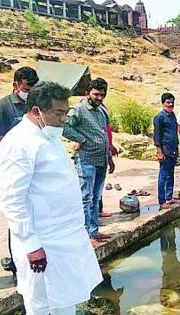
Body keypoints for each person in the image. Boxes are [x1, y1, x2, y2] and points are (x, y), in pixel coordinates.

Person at [0, 81, 102, 315]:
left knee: (65, 301)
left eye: (66, 112)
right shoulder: (20, 143)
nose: (65, 119)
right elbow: (12, 199)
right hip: (42, 241)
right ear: (37, 111)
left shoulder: (47, 136)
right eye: (59, 113)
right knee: (42, 305)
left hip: (64, 238)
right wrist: (32, 244)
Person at [0, 66, 39, 280]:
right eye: (27, 88)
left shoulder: (34, 105)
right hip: (15, 171)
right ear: (16, 85)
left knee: (34, 216)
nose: (30, 91)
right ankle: (18, 268)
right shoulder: (2, 108)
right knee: (16, 219)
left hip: (35, 170)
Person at [63, 78, 115, 241]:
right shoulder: (78, 110)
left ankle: (93, 230)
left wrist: (109, 158)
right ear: (88, 93)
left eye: (102, 95)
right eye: (96, 94)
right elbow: (64, 127)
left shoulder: (102, 111)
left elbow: (104, 134)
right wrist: (81, 139)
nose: (99, 98)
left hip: (101, 160)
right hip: (86, 159)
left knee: (96, 196)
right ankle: (85, 233)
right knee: (86, 196)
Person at [153, 93, 180, 209]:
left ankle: (169, 197)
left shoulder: (173, 115)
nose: (170, 105)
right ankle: (162, 200)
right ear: (163, 103)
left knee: (171, 174)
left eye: (172, 103)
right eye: (168, 102)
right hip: (165, 150)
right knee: (163, 175)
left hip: (173, 149)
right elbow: (157, 136)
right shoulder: (159, 117)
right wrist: (159, 151)